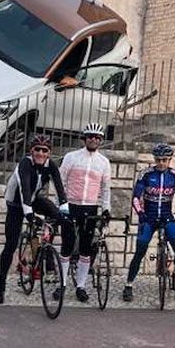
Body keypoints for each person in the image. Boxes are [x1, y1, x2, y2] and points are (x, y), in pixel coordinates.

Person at [0, 134, 66, 304]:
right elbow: (25, 188)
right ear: (31, 151)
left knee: (58, 216)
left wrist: (64, 209)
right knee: (11, 245)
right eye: (37, 150)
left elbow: (60, 189)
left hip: (33, 199)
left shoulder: (51, 166)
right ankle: (1, 285)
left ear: (49, 153)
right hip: (16, 203)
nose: (41, 153)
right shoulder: (25, 164)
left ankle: (46, 254)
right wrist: (29, 213)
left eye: (45, 150)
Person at [123, 143, 175, 302]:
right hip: (149, 218)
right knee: (140, 251)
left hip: (167, 217)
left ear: (170, 160)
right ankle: (128, 285)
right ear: (154, 159)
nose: (161, 163)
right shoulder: (145, 174)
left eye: (165, 160)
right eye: (158, 160)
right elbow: (135, 198)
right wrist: (140, 213)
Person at [56, 123, 112, 303]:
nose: (93, 140)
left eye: (97, 138)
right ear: (84, 138)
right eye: (90, 137)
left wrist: (106, 209)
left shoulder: (104, 162)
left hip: (90, 207)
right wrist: (60, 205)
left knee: (86, 249)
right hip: (70, 206)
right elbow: (59, 182)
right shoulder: (71, 157)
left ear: (101, 141)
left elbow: (105, 189)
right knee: (66, 245)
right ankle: (62, 284)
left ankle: (81, 286)